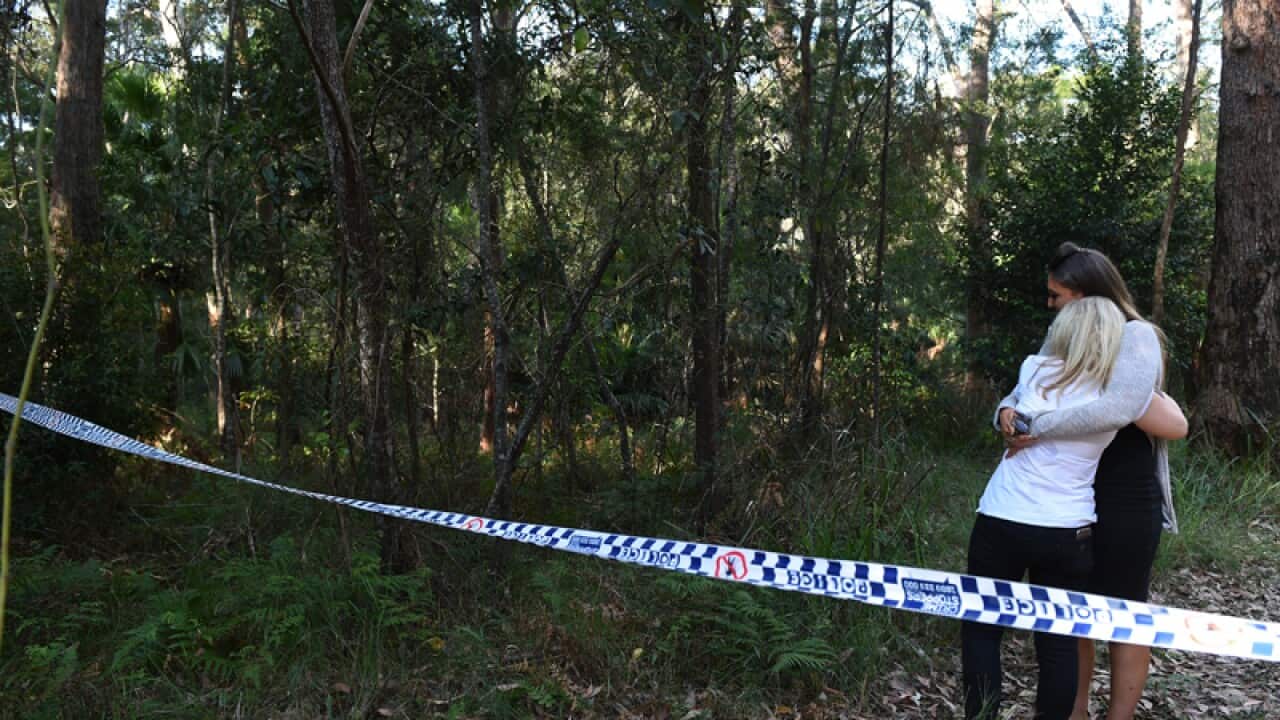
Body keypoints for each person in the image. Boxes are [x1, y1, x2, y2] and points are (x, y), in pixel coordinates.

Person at [996, 242, 1188, 720]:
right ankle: (1074, 712)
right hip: (1068, 490)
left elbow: (1125, 408)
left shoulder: (1137, 336)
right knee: (1074, 611)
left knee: (1127, 612)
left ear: (1084, 294)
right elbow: (1028, 389)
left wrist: (1037, 424)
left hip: (1125, 492)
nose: (1050, 305)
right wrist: (1002, 410)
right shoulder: (1061, 333)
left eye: (1056, 295)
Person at [963, 296, 1128, 720]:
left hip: (1003, 516)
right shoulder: (1118, 391)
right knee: (1057, 642)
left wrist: (1004, 410)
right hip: (1067, 528)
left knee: (982, 631)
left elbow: (1014, 408)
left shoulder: (1035, 367)